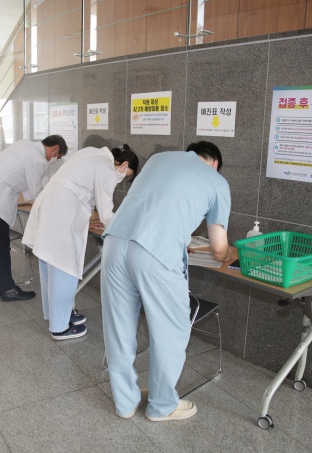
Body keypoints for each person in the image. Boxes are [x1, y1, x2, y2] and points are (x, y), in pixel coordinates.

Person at [101, 141, 231, 421]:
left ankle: (125, 403)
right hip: (155, 255)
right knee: (170, 331)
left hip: (114, 244)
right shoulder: (217, 181)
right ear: (215, 163)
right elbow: (219, 249)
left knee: (118, 328)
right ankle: (162, 406)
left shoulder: (158, 158)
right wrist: (228, 252)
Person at [22, 145, 139, 340]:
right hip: (63, 211)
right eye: (126, 174)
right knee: (64, 269)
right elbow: (106, 214)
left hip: (52, 204)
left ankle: (58, 315)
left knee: (49, 264)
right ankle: (59, 328)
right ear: (124, 164)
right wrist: (130, 227)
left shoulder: (93, 152)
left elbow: (80, 186)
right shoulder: (107, 170)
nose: (122, 178)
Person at [0, 135, 68, 302]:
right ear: (55, 148)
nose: (53, 161)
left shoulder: (25, 145)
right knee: (0, 245)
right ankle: (7, 290)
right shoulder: (38, 159)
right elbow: (36, 193)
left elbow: (25, 185)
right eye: (57, 158)